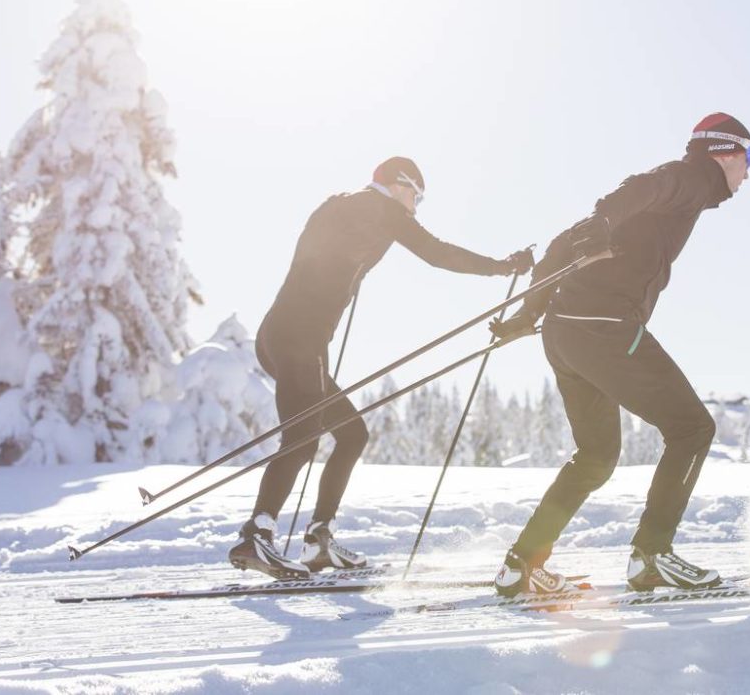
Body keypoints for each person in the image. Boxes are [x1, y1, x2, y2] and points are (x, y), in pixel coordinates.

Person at [488, 113, 750, 595]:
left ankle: (522, 564)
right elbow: (642, 186)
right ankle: (652, 556)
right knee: (693, 428)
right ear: (726, 152)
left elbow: (558, 247)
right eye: (749, 158)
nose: (749, 172)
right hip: (606, 327)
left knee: (595, 457)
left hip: (564, 332)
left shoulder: (675, 192)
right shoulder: (694, 177)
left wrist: (529, 316)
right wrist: (603, 218)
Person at [229, 156, 534, 579]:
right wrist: (502, 266)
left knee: (351, 434)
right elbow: (437, 253)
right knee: (302, 439)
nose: (415, 206)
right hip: (300, 337)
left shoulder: (340, 203)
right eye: (417, 195)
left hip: (280, 335)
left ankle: (319, 539)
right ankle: (257, 535)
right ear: (398, 184)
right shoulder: (382, 209)